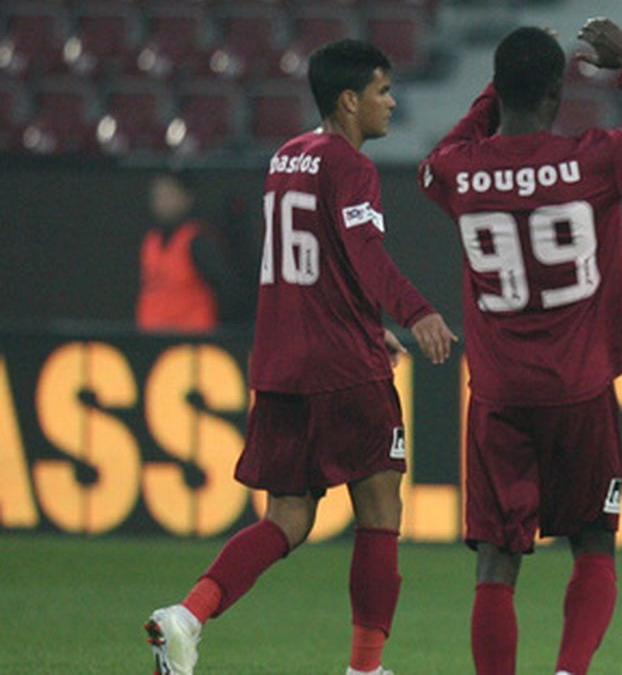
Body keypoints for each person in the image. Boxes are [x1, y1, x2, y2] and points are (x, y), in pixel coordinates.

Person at [144, 39, 458, 675]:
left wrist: (369, 327)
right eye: (382, 91)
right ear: (349, 100)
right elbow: (364, 254)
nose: (392, 103)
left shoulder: (287, 157)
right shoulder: (350, 166)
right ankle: (365, 669)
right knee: (380, 511)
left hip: (283, 367)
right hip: (345, 374)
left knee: (287, 516)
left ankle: (188, 615)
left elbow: (312, 267)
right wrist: (416, 311)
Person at [417, 18, 622, 675]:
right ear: (556, 94)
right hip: (579, 387)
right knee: (593, 542)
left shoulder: (460, 170)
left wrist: (491, 99)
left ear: (498, 90)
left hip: (498, 393)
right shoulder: (595, 155)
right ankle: (568, 670)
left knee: (498, 558)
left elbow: (435, 163)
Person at [136, 172, 239, 333]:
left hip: (192, 341)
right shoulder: (151, 240)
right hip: (152, 340)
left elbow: (228, 289)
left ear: (186, 197)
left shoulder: (198, 240)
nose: (161, 202)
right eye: (157, 195)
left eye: (169, 194)